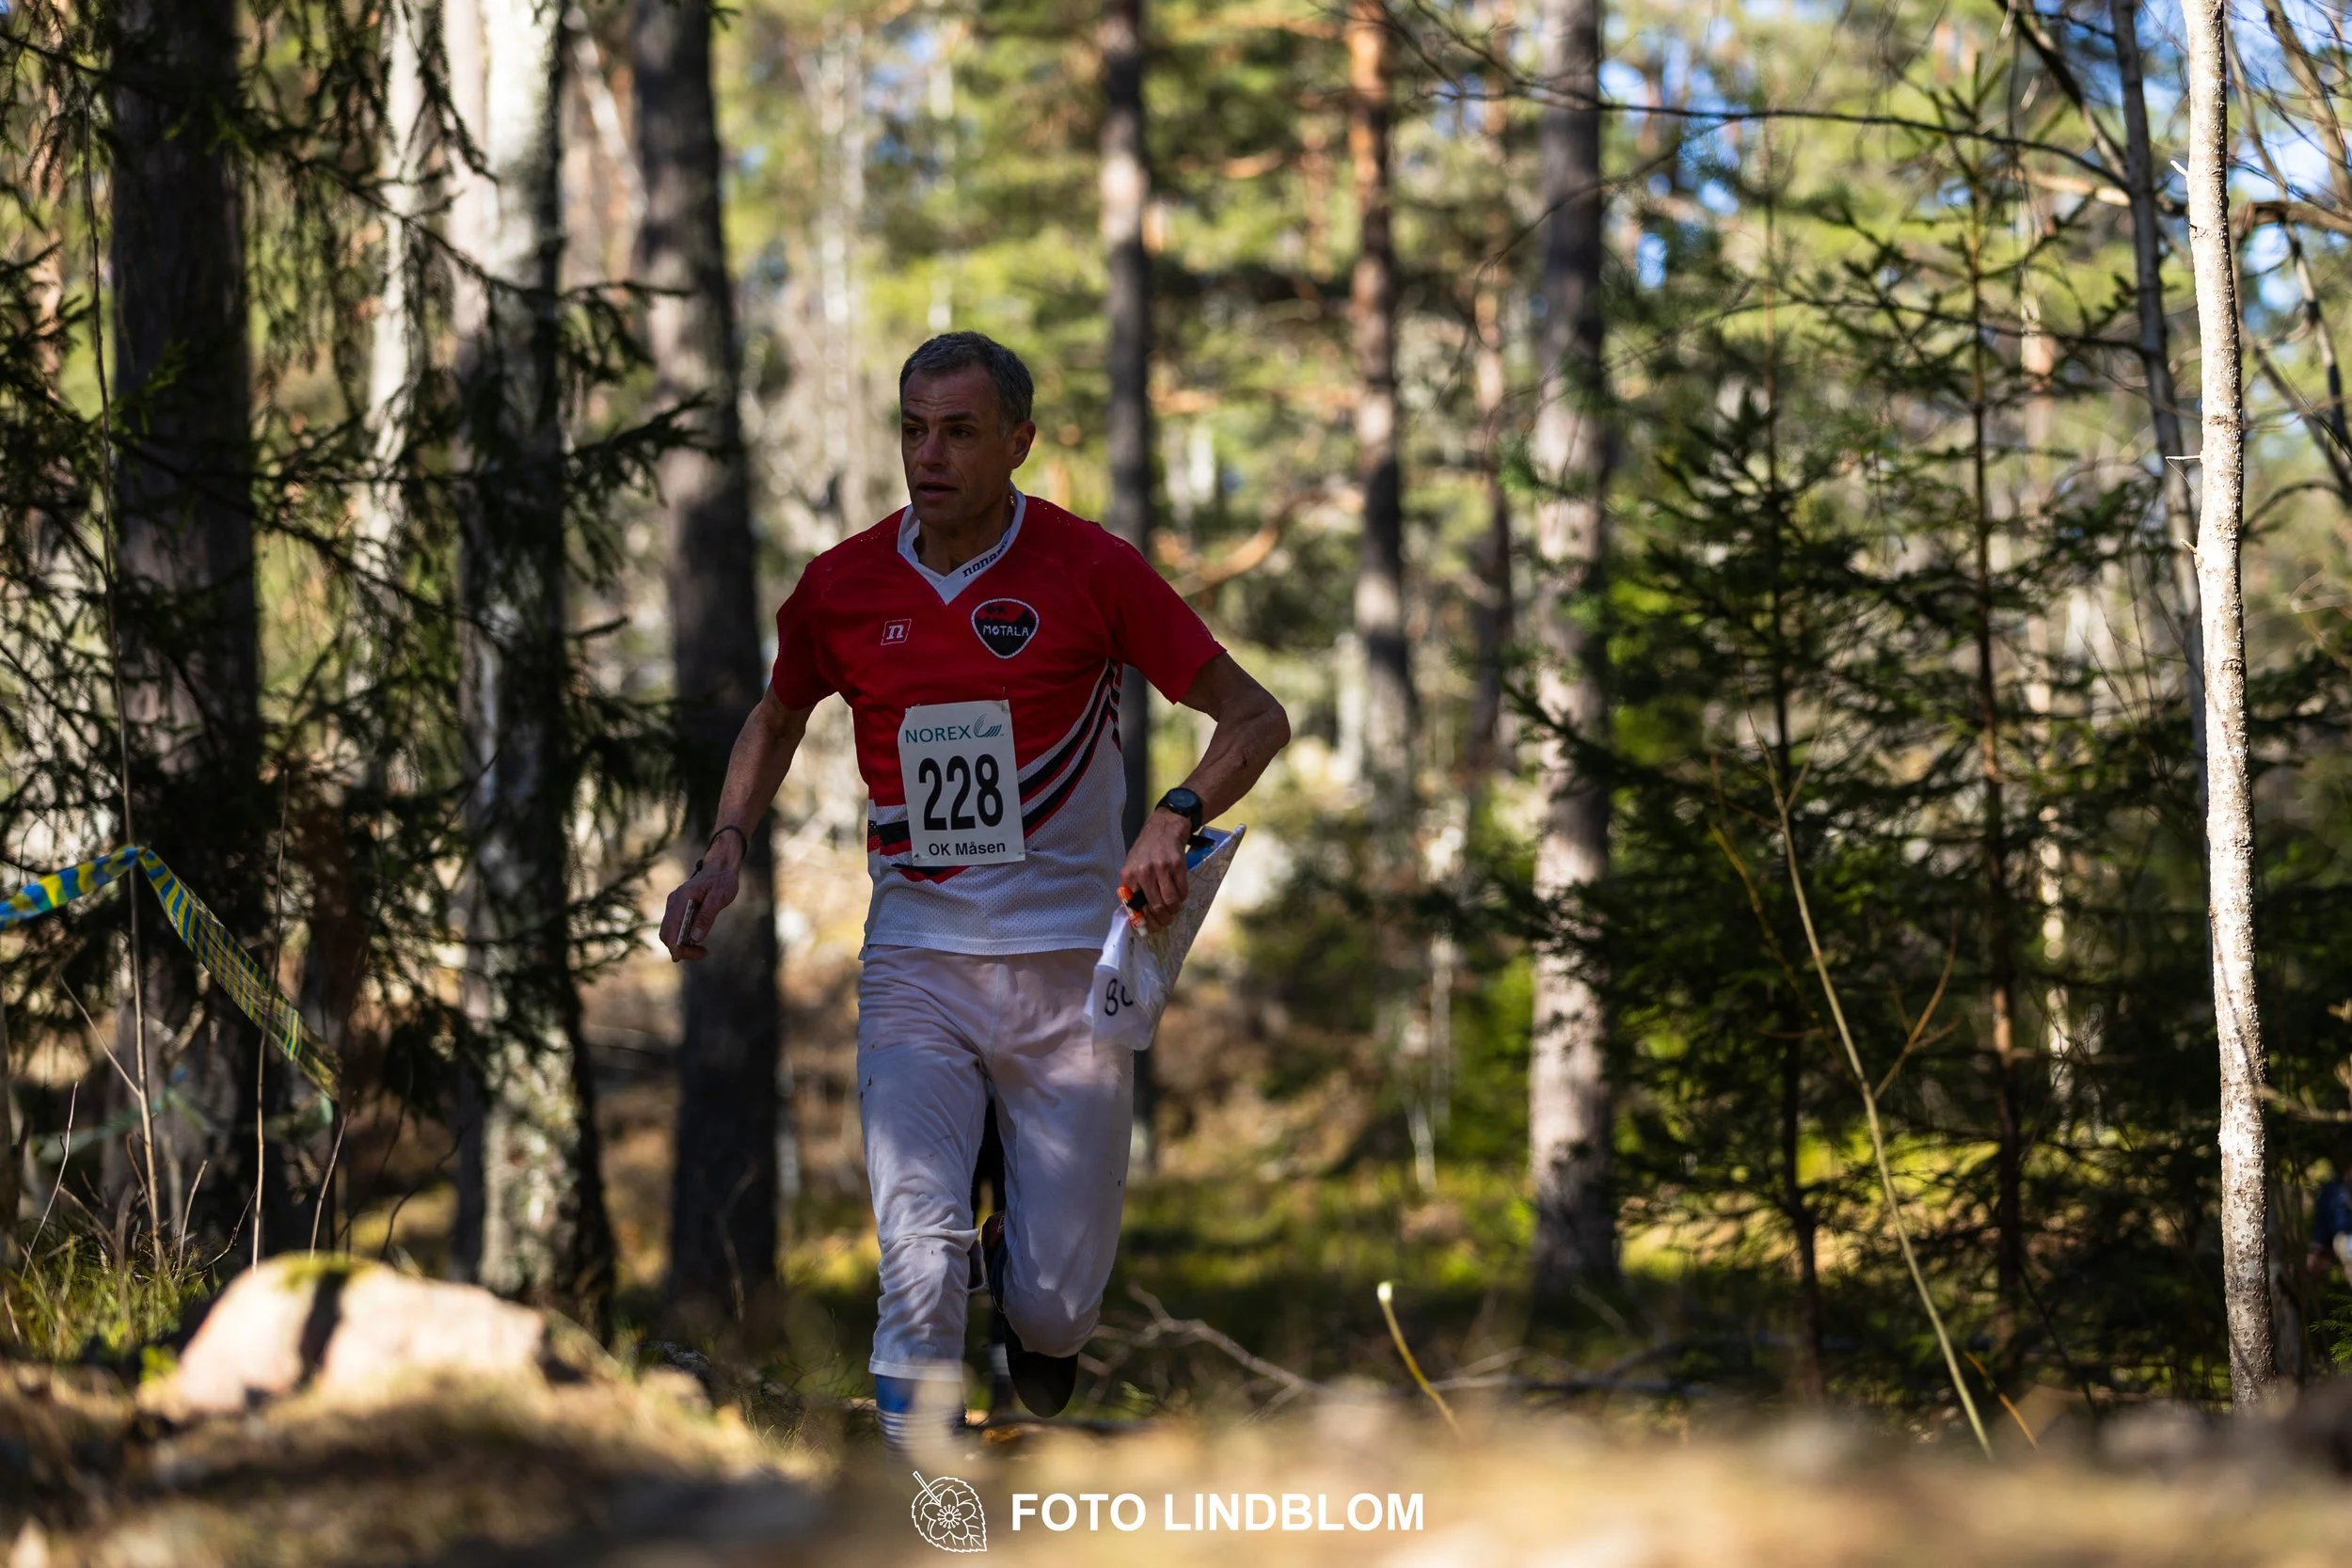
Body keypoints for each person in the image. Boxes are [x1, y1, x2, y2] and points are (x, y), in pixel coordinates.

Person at [659, 332, 1290, 1455]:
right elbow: (778, 711)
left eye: (957, 431)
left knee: (1050, 1316)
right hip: (918, 961)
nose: (929, 454)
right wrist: (725, 843)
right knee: (915, 1249)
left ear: (1018, 442)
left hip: (1070, 972)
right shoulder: (841, 586)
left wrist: (1175, 812)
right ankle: (929, 1518)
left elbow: (1256, 717)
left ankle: (1022, 1279)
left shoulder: (1091, 570)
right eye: (912, 429)